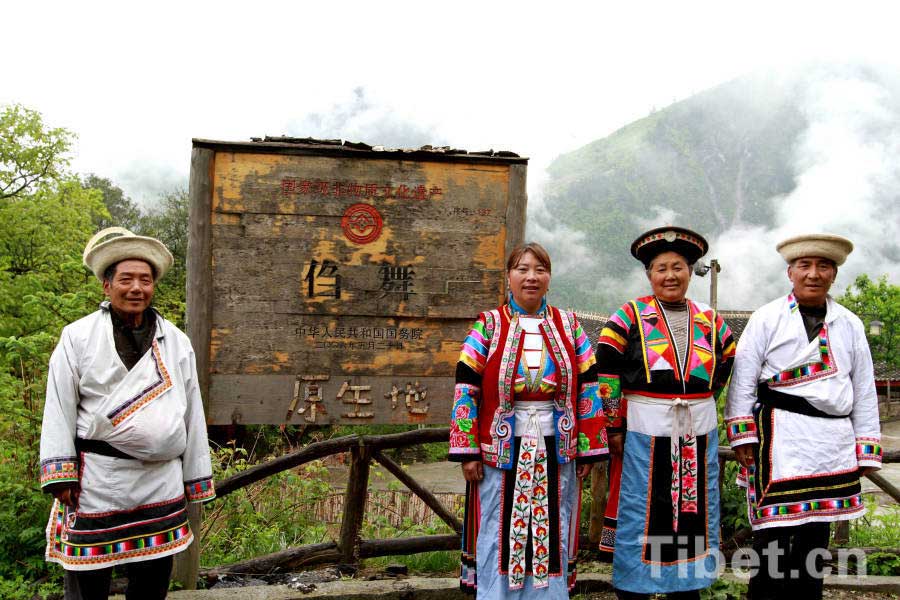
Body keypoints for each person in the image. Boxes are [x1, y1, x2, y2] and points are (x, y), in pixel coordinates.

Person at [39, 228, 216, 600]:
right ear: (107, 286)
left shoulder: (176, 341)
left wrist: (195, 476)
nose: (136, 288)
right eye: (126, 279)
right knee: (89, 580)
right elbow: (59, 403)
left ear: (153, 287)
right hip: (99, 482)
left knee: (152, 582)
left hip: (160, 482)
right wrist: (60, 471)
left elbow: (192, 411)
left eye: (145, 280)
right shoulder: (78, 336)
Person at [724, 233, 882, 600]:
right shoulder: (767, 317)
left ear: (834, 274)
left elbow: (863, 388)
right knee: (772, 539)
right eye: (805, 266)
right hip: (780, 440)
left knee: (815, 538)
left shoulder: (850, 324)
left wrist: (866, 446)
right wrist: (743, 436)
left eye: (823, 266)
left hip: (831, 443)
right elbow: (743, 379)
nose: (814, 274)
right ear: (790, 273)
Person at [449, 242, 608, 598]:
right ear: (509, 277)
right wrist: (467, 450)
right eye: (522, 269)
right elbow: (466, 387)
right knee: (498, 524)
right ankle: (496, 593)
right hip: (500, 448)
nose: (531, 277)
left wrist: (587, 448)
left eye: (539, 269)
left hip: (557, 446)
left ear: (549, 279)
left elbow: (589, 389)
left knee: (555, 524)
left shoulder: (569, 326)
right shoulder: (488, 325)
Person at [596, 226, 735, 599]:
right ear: (648, 274)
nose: (670, 275)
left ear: (691, 271)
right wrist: (613, 424)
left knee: (693, 508)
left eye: (678, 266)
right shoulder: (628, 316)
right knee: (642, 508)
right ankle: (635, 587)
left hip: (695, 431)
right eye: (661, 268)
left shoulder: (710, 320)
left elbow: (727, 363)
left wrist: (701, 402)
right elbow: (605, 369)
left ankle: (687, 587)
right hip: (642, 432)